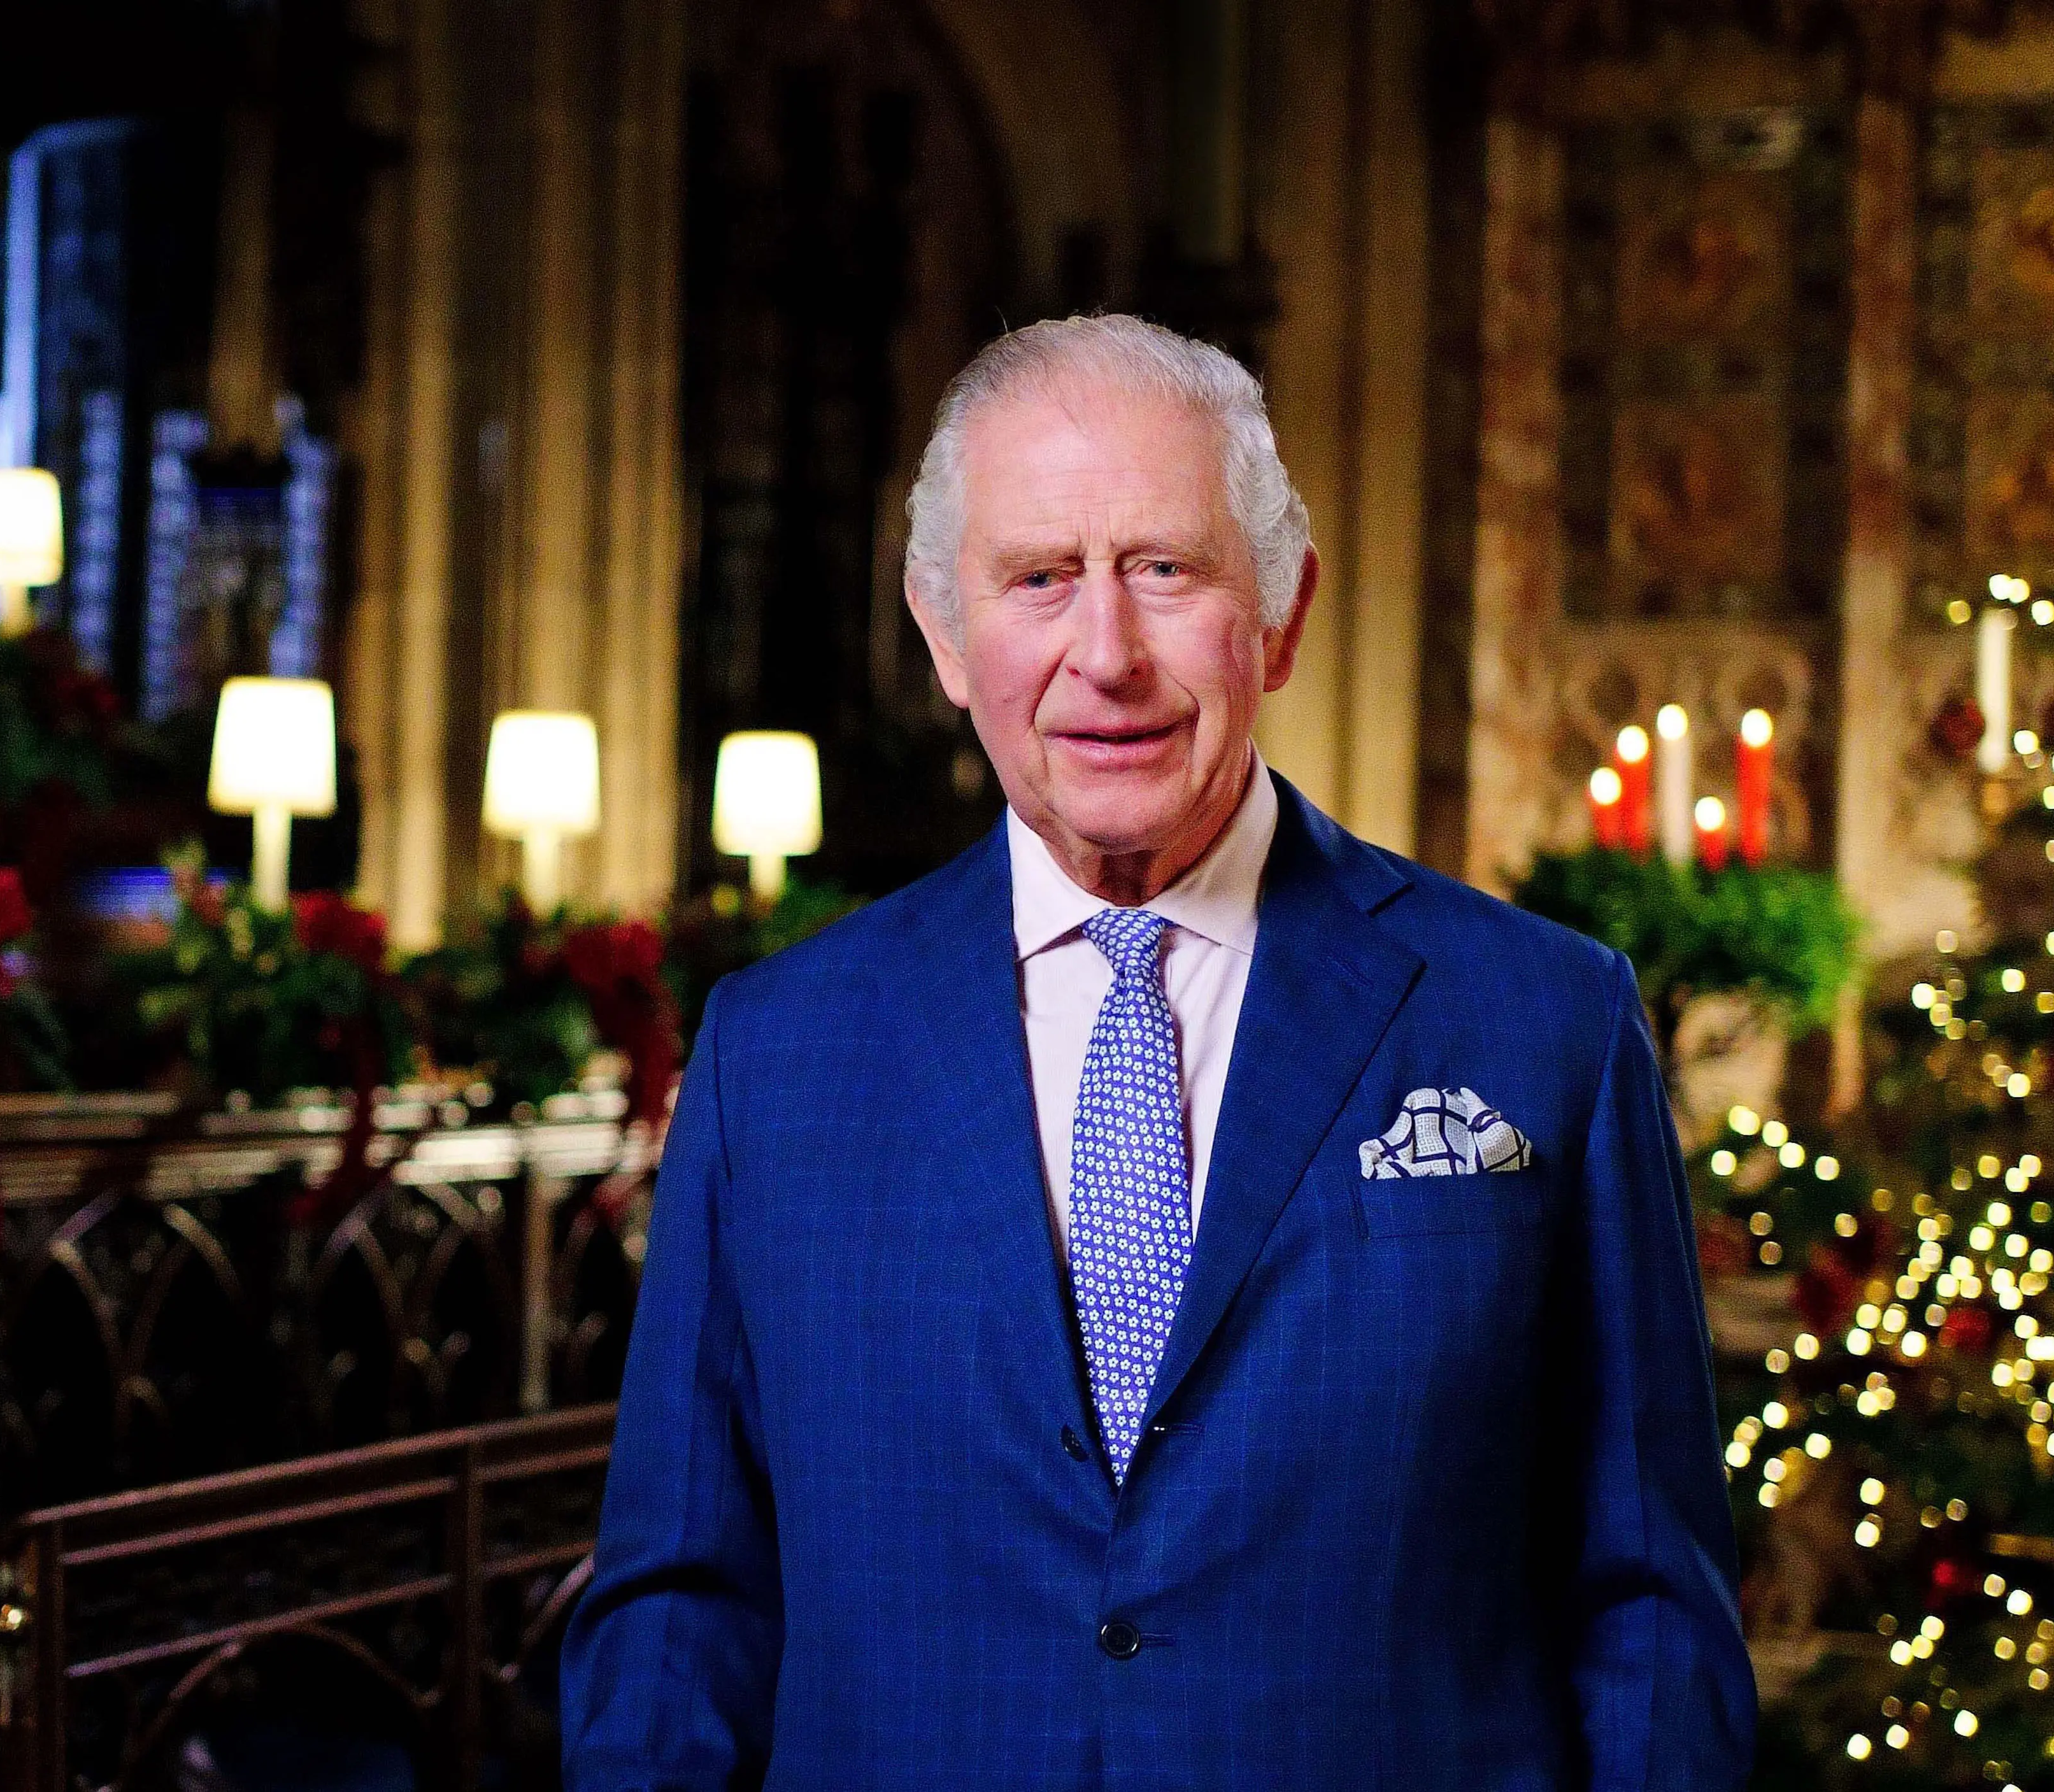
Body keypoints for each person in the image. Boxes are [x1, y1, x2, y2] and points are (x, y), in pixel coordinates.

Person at [560, 315, 1753, 1789]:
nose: (1104, 655)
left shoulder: (1543, 1021)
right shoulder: (775, 1054)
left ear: (1284, 613)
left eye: (1165, 571)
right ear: (941, 631)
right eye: (1038, 578)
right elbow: (681, 1612)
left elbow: (1647, 1610)